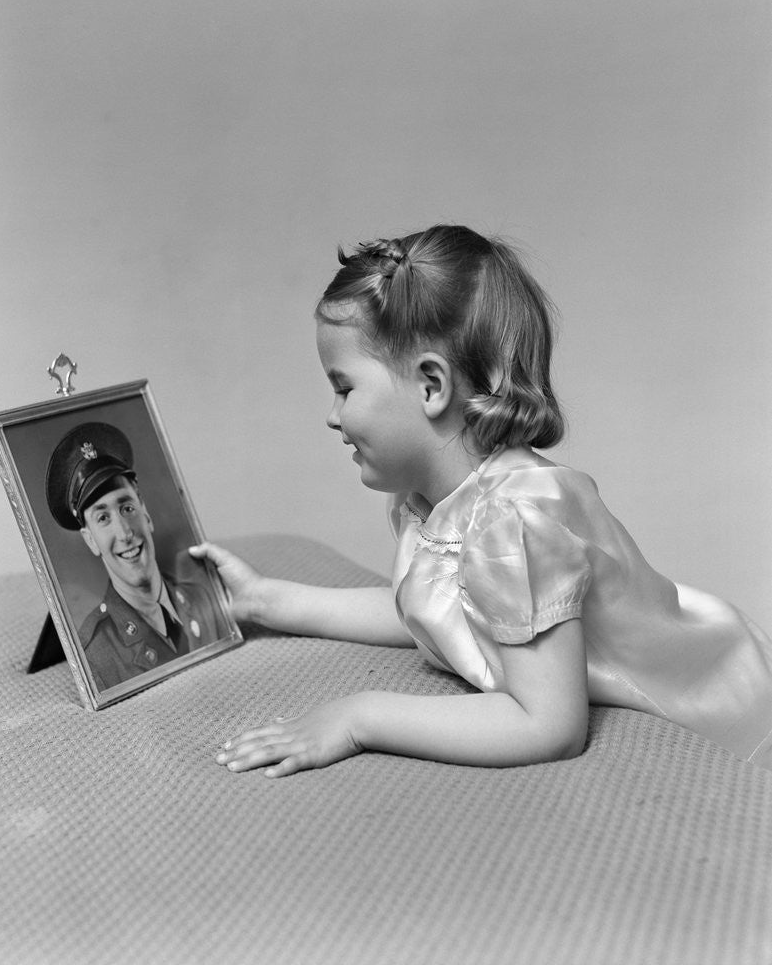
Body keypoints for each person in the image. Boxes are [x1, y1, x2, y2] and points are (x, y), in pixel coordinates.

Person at [191, 224, 772, 777]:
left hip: (716, 700)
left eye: (344, 388)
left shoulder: (514, 519)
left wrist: (356, 717)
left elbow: (547, 724)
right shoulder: (426, 504)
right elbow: (434, 616)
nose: (331, 415)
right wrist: (264, 602)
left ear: (430, 385)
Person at [46, 422, 230, 690]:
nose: (124, 533)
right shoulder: (96, 655)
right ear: (90, 540)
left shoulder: (202, 600)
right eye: (103, 518)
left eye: (127, 507)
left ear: (145, 513)